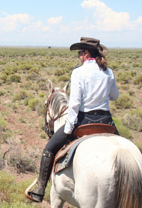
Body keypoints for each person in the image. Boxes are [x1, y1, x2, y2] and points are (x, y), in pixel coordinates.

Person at [27, 37, 119, 202]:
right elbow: (115, 96)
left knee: (49, 149)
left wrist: (68, 129)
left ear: (85, 53)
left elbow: (74, 105)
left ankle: (40, 189)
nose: (78, 56)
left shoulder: (78, 72)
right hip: (106, 122)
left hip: (84, 121)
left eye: (79, 53)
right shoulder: (108, 71)